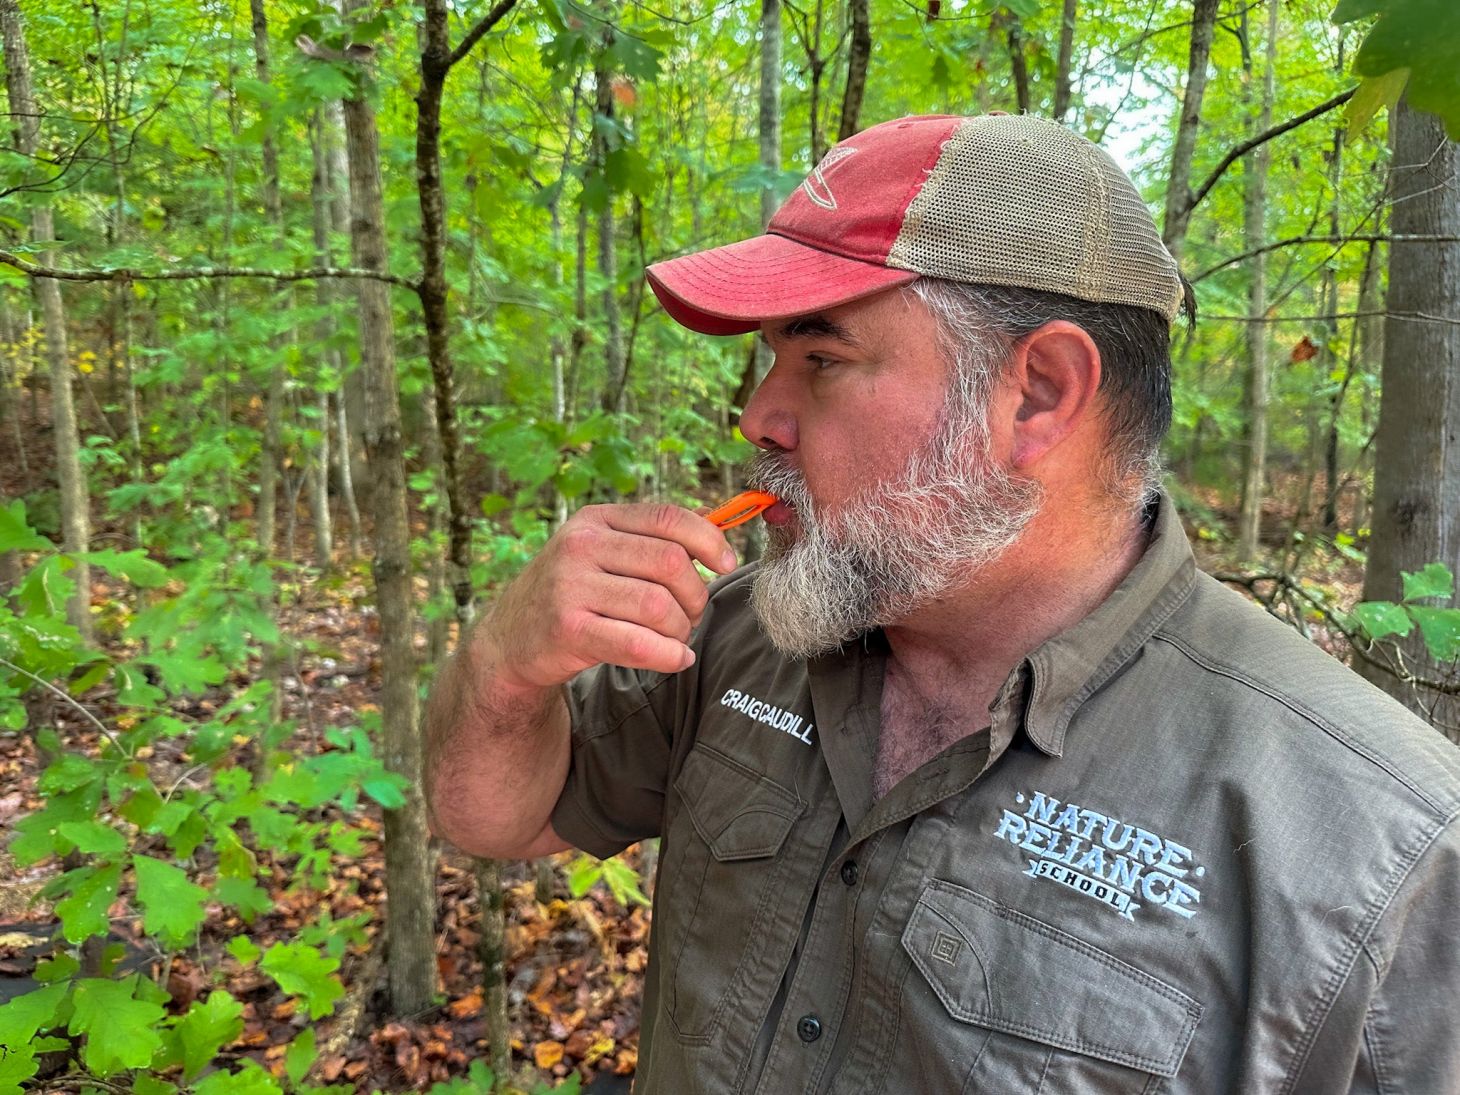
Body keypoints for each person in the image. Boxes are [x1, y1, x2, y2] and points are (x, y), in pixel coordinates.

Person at [424, 114, 1460, 1094]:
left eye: (821, 360)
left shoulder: (1382, 849)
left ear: (1039, 393)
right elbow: (497, 816)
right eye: (769, 359)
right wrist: (502, 669)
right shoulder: (741, 633)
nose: (759, 417)